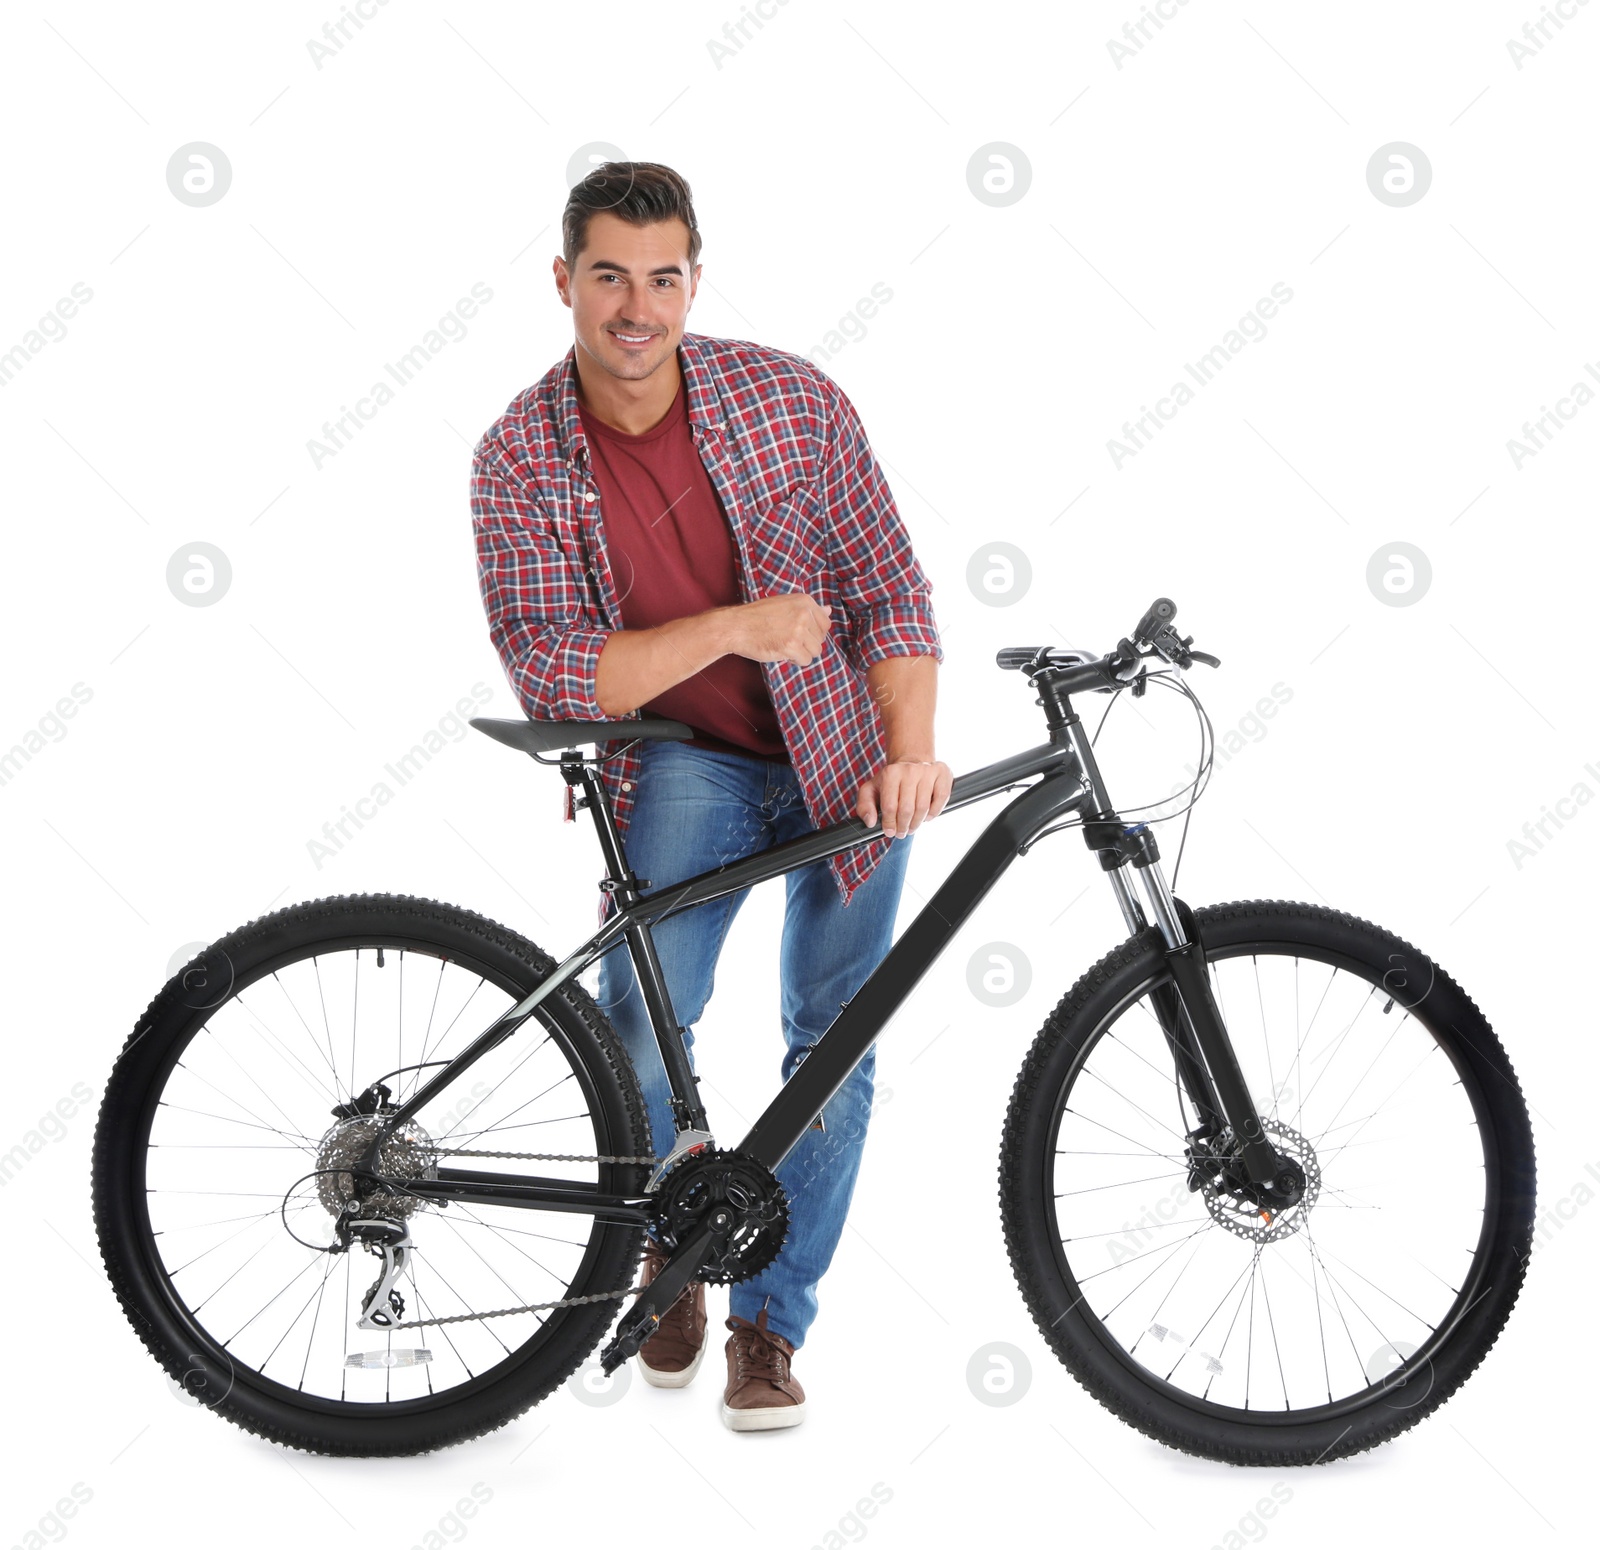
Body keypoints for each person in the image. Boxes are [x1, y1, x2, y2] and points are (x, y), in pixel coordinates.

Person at [471, 161, 950, 1431]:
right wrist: (736, 626)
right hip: (680, 755)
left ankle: (768, 1325)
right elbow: (561, 668)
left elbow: (890, 591)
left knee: (833, 1045)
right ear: (564, 280)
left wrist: (910, 745)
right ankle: (672, 1259)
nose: (638, 306)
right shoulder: (518, 455)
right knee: (645, 1029)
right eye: (611, 276)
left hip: (841, 745)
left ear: (695, 276)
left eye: (663, 276)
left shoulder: (790, 400)